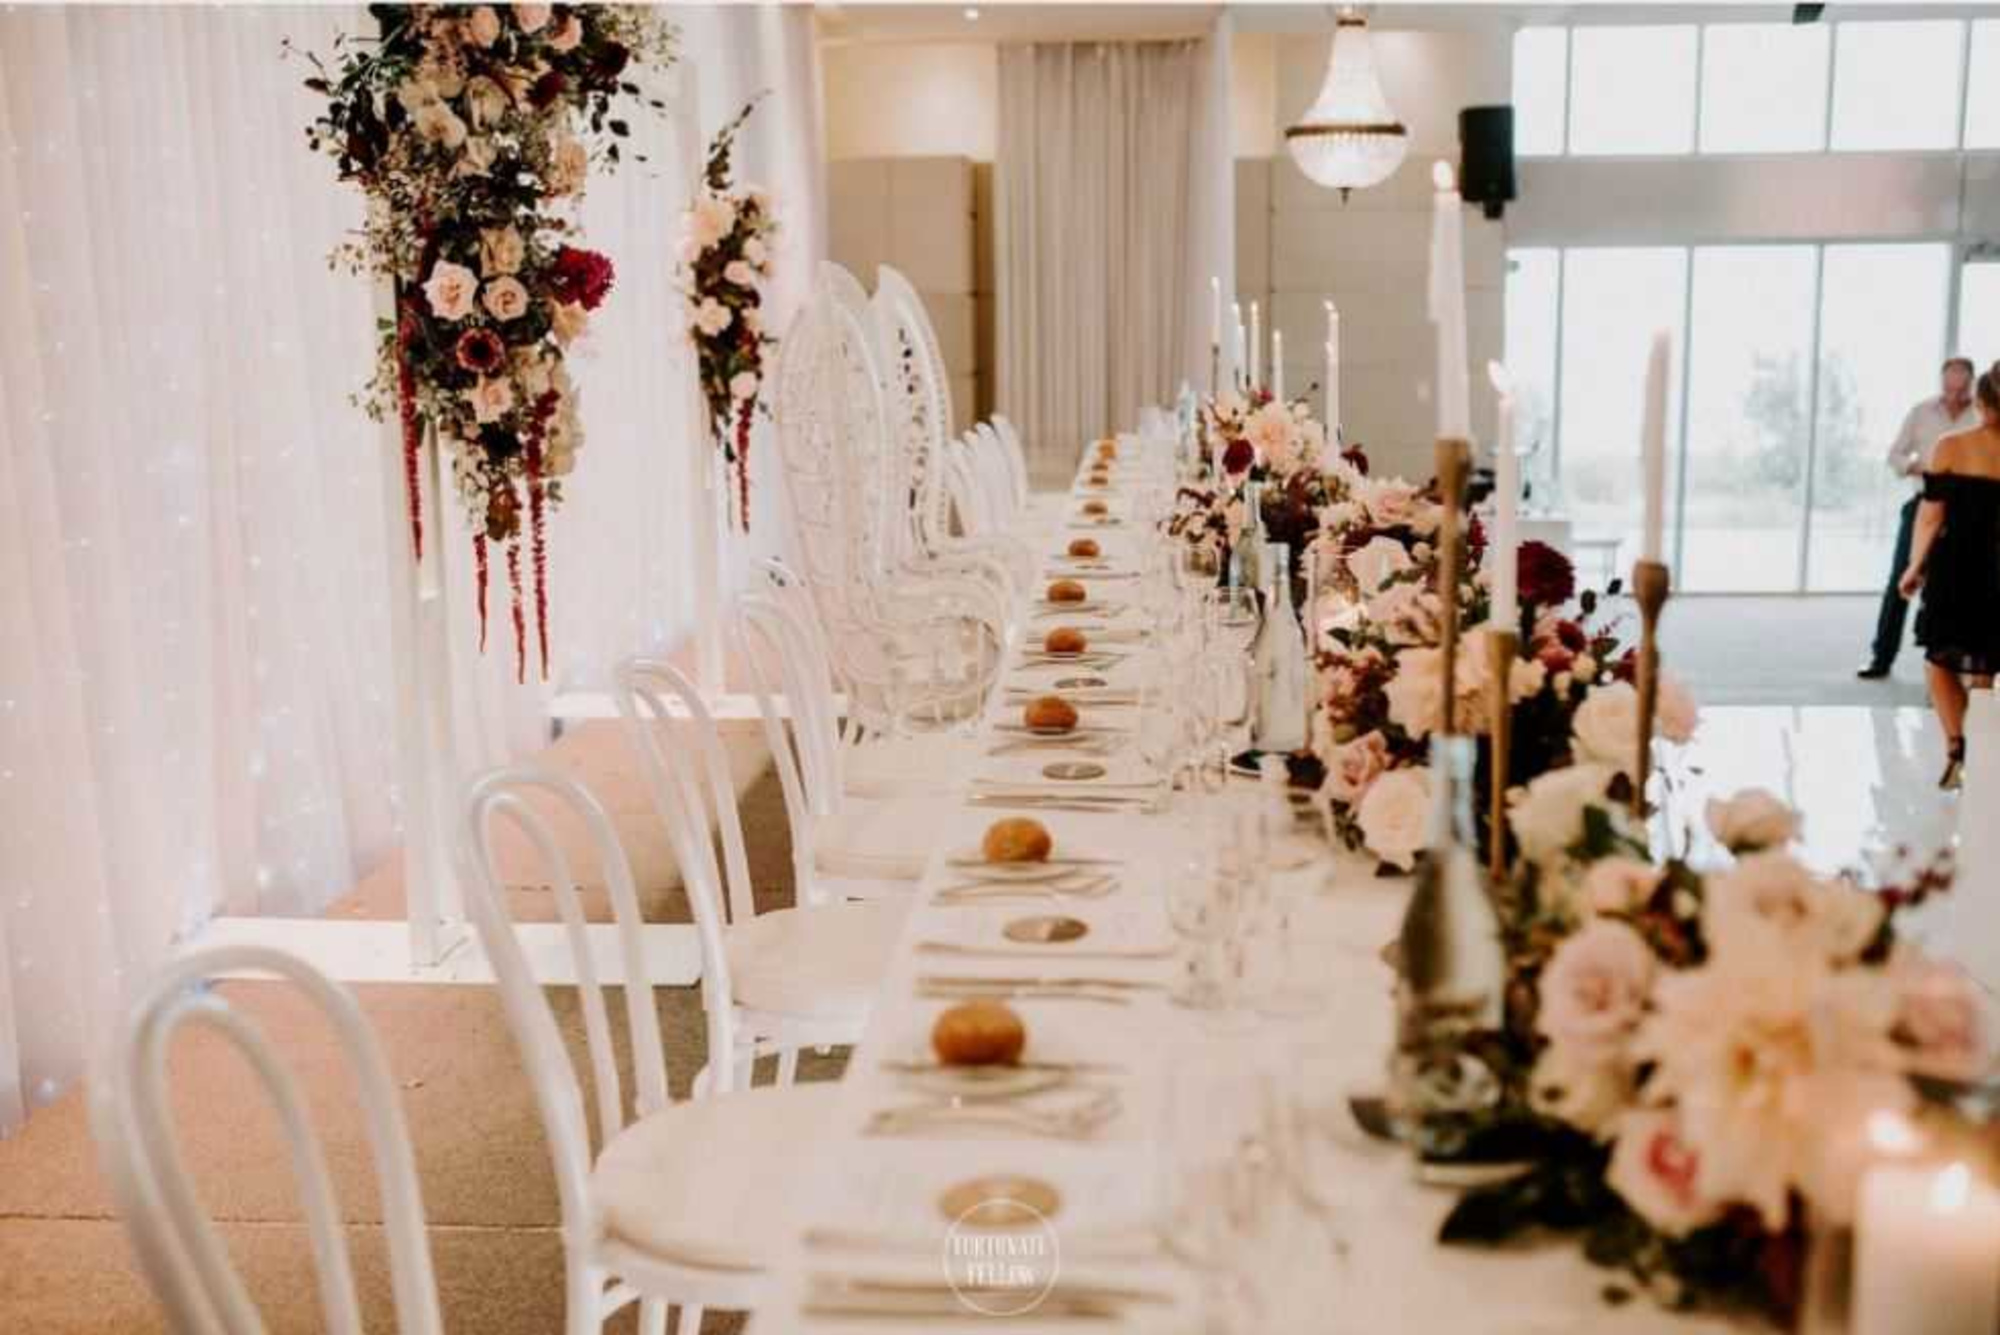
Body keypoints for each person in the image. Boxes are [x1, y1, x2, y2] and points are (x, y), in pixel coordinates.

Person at [1899, 360, 2000, 789]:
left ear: (1981, 402)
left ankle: (1958, 746)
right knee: (1986, 667)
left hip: (1957, 567)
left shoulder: (1951, 446)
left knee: (1939, 659)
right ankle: (1977, 750)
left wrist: (1914, 565)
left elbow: (1929, 517)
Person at [1859, 357, 1980, 679]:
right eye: (1949, 385)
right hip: (1923, 503)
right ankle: (1881, 657)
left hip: (1966, 511)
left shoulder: (1982, 414)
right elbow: (1895, 455)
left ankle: (1948, 666)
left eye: (1961, 386)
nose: (1954, 393)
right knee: (1900, 579)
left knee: (1954, 588)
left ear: (1970, 383)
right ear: (1942, 382)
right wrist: (1916, 467)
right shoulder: (1921, 412)